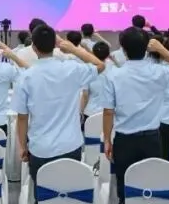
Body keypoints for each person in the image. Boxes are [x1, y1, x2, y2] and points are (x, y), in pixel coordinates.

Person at [14, 25, 105, 195]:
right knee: (70, 196)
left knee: (43, 198)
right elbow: (100, 65)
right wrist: (75, 50)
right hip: (70, 145)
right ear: (56, 45)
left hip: (40, 147)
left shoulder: (26, 77)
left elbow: (22, 117)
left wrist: (22, 146)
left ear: (34, 47)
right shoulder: (72, 69)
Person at [101, 31, 169, 204]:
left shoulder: (113, 75)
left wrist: (107, 139)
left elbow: (108, 112)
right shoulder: (158, 71)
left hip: (124, 139)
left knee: (126, 184)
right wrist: (162, 50)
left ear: (123, 49)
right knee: (151, 183)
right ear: (147, 48)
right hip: (152, 138)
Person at [80, 41, 114, 123]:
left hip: (90, 113)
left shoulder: (88, 69)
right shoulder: (114, 67)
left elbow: (85, 96)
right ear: (107, 55)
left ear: (93, 53)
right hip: (109, 113)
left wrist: (80, 112)